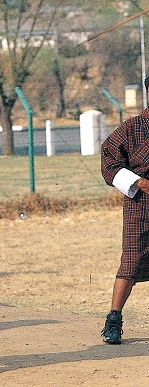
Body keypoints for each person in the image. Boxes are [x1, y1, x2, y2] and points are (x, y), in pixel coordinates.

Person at [100, 76, 149, 344]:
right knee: (130, 263)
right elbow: (109, 160)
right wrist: (139, 182)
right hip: (139, 203)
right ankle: (114, 320)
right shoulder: (132, 128)